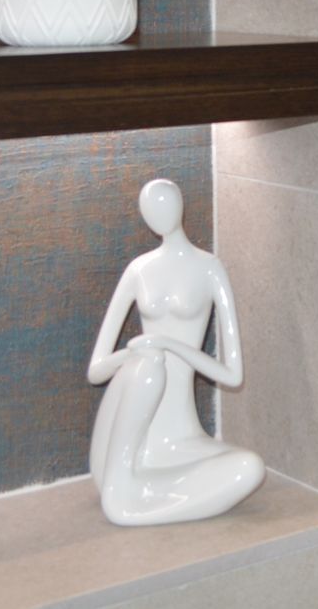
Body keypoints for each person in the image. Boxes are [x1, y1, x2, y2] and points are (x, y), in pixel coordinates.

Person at [87, 179, 262, 526]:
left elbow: (232, 374)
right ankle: (123, 490)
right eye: (150, 209)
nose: (158, 214)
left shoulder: (209, 267)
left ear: (180, 206)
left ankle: (140, 496)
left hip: (181, 435)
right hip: (127, 433)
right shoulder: (139, 270)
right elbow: (96, 370)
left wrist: (167, 344)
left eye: (164, 204)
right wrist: (135, 352)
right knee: (149, 366)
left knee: (250, 468)